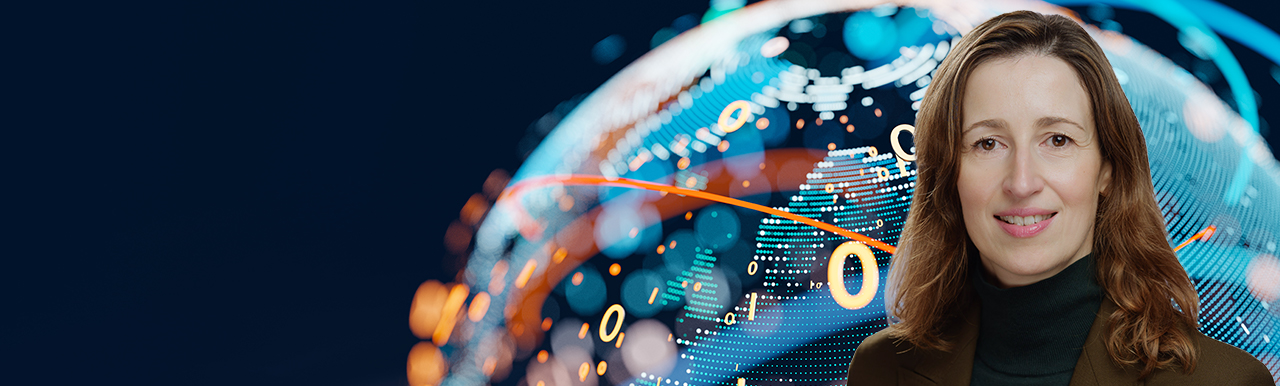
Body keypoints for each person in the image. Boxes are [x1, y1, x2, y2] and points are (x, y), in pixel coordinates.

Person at [845, 10, 1272, 385]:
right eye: (988, 144)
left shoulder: (1227, 381)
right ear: (948, 173)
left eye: (1058, 139)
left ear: (1108, 168)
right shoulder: (881, 369)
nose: (1022, 182)